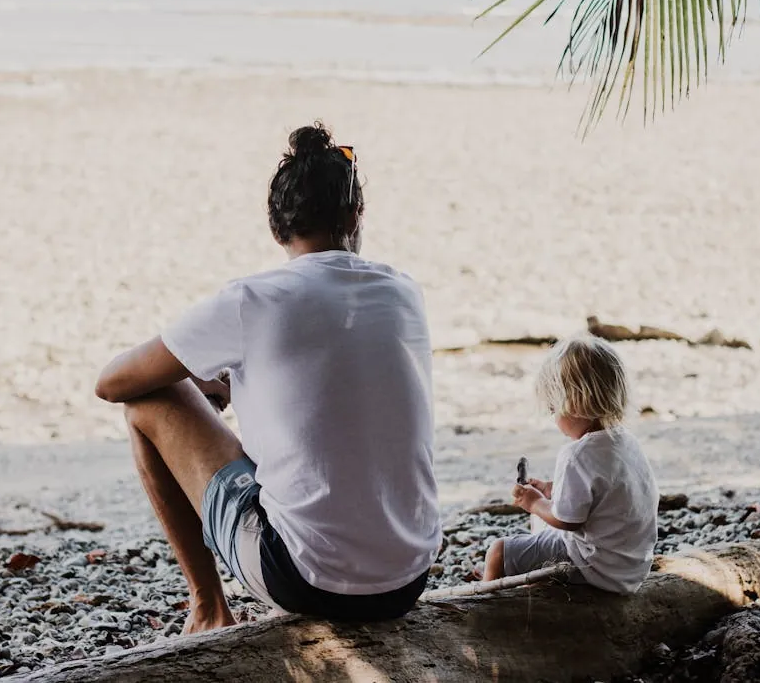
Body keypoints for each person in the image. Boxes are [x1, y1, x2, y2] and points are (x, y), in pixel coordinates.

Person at [95, 122, 441, 632]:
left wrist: (202, 381)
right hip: (408, 578)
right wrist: (237, 384)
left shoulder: (252, 300)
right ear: (354, 214)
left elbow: (113, 383)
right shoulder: (403, 291)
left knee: (148, 402)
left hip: (305, 578)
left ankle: (208, 607)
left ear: (278, 227)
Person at [482, 335, 658, 595]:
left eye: (553, 409)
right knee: (539, 522)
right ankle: (537, 581)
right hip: (630, 566)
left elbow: (568, 522)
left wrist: (534, 502)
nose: (553, 417)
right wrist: (552, 489)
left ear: (573, 403)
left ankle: (483, 608)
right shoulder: (625, 442)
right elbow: (608, 496)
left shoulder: (578, 454)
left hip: (594, 567)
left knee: (498, 551)